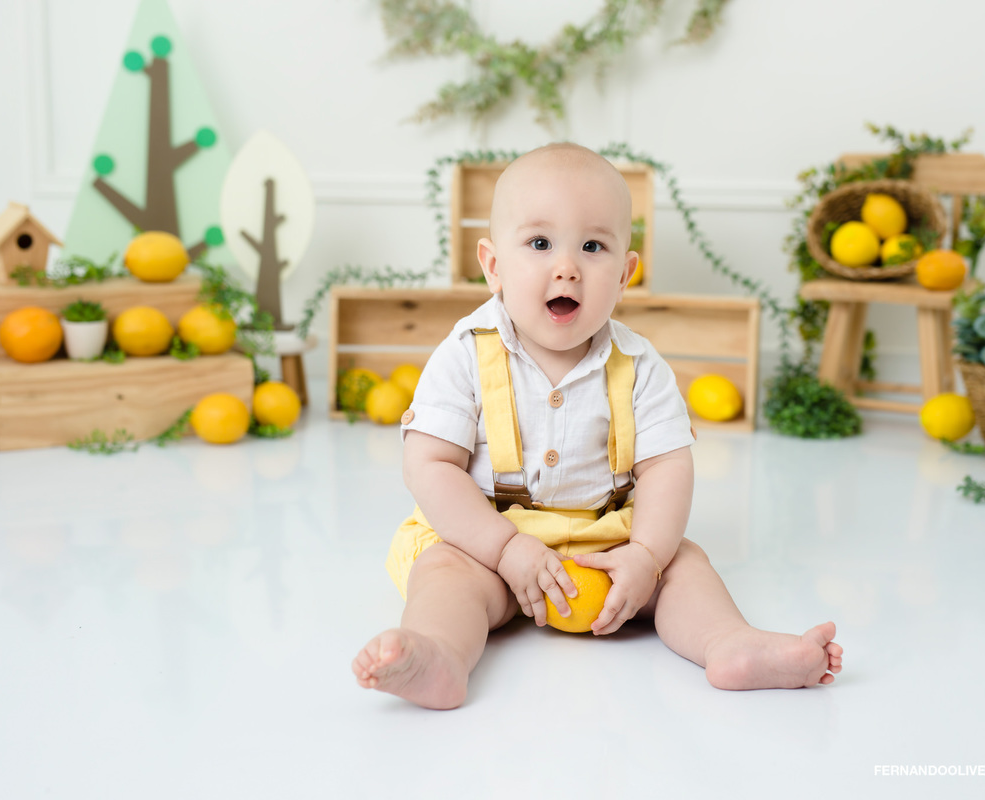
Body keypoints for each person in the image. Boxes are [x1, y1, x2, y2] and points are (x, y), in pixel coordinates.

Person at [352, 143, 843, 709]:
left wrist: (646, 556)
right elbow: (430, 465)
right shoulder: (465, 351)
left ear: (625, 274)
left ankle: (728, 643)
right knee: (444, 572)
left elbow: (666, 468)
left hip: (608, 546)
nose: (567, 267)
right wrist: (505, 550)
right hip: (486, 541)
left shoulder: (639, 365)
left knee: (684, 566)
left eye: (592, 246)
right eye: (540, 244)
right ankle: (439, 654)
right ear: (493, 265)